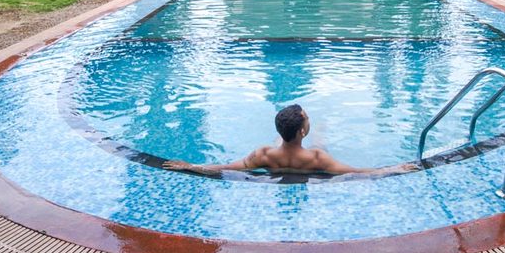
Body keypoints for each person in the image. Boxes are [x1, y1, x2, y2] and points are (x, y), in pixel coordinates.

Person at [162, 104, 416, 176]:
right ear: (302, 131)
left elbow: (226, 167)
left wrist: (191, 166)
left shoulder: (263, 154)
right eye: (307, 120)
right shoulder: (318, 158)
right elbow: (358, 172)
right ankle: (319, 132)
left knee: (283, 143)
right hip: (304, 159)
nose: (307, 119)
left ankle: (294, 136)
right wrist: (394, 168)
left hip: (280, 156)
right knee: (321, 141)